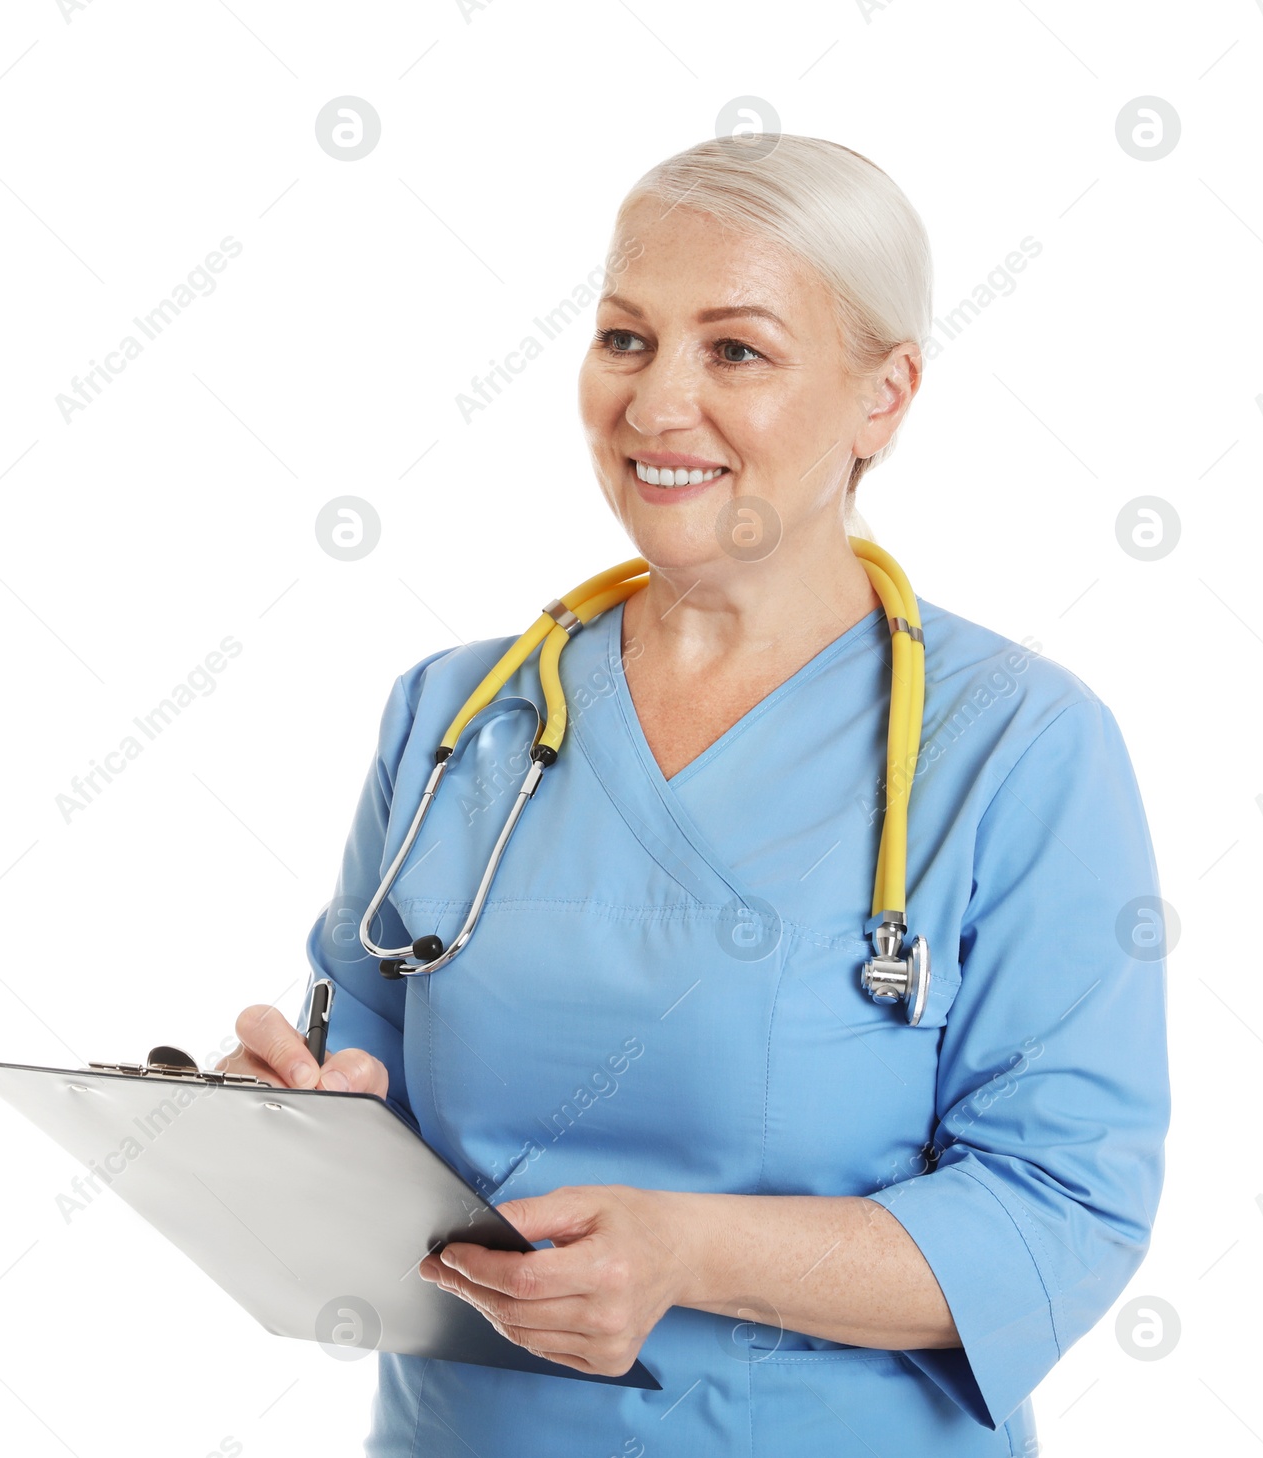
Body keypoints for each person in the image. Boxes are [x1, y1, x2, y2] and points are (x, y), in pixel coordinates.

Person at [218, 135, 1170, 1456]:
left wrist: (692, 1251)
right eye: (624, 338)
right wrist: (296, 1125)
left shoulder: (1016, 744)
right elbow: (365, 1092)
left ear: (884, 394)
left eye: (736, 350)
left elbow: (1065, 1209)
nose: (658, 404)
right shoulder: (455, 717)